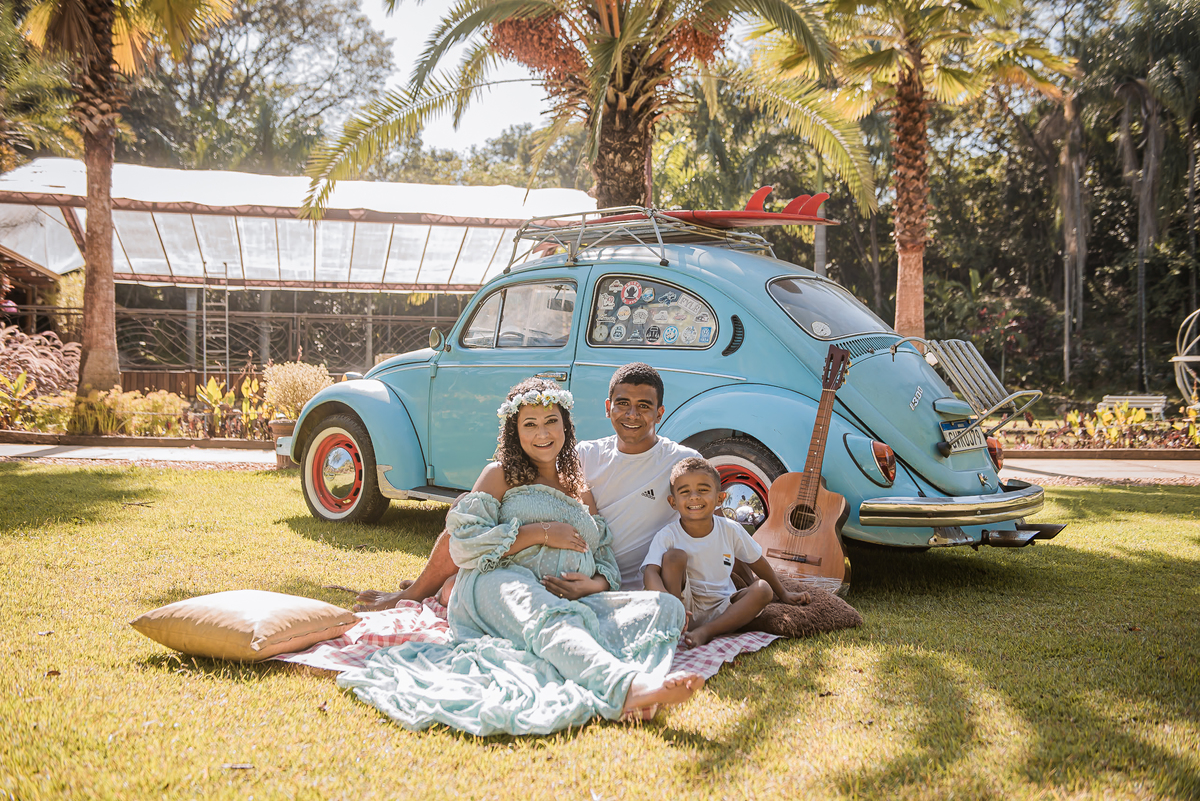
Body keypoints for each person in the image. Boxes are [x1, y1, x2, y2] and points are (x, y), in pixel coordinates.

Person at [336, 378, 703, 734]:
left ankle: (577, 648)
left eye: (551, 422)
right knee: (546, 613)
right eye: (530, 424)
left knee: (664, 608)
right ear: (515, 430)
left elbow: (603, 552)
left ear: (565, 426)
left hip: (569, 596)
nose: (542, 433)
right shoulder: (499, 475)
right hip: (500, 584)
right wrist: (540, 533)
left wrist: (593, 584)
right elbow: (463, 542)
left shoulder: (578, 484)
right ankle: (623, 687)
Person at [353, 362, 700, 609]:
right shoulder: (581, 456)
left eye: (644, 406)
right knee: (463, 549)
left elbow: (604, 543)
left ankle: (440, 589)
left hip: (590, 587)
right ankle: (415, 592)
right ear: (608, 408)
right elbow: (471, 531)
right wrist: (539, 530)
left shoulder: (671, 464)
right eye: (623, 404)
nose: (632, 414)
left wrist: (596, 584)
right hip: (517, 578)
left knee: (455, 586)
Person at [642, 457, 810, 648]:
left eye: (703, 490)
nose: (694, 497)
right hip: (683, 607)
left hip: (724, 607)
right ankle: (674, 624)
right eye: (685, 492)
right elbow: (650, 572)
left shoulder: (731, 529)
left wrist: (783, 593)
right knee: (674, 557)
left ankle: (707, 632)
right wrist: (669, 603)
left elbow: (757, 561)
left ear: (720, 499)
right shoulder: (668, 535)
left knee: (763, 589)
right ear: (673, 502)